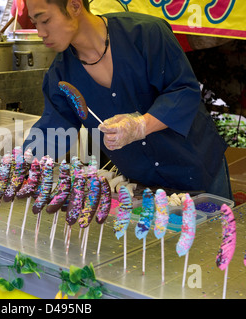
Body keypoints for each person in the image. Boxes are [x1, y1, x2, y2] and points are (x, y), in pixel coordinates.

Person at [22, 0, 233, 199]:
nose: (40, 32)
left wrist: (140, 125)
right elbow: (52, 132)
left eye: (45, 20)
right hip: (143, 186)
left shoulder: (146, 33)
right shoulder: (60, 76)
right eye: (35, 23)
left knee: (217, 236)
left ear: (75, 5)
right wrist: (19, 167)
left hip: (198, 168)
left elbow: (183, 90)